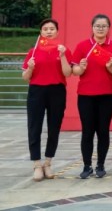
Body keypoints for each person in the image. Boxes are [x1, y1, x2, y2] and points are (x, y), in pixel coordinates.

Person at [22, 18, 72, 181]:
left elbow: (67, 73)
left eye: (52, 29)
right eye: (45, 29)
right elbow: (25, 77)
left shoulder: (63, 50)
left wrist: (63, 56)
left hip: (57, 90)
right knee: (34, 127)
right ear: (41, 32)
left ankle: (48, 162)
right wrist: (30, 68)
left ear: (57, 32)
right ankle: (37, 164)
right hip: (37, 91)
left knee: (54, 126)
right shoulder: (33, 51)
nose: (49, 31)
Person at [71, 14, 112, 179]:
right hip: (86, 95)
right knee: (87, 131)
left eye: (104, 26)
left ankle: (101, 165)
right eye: (97, 26)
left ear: (108, 28)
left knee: (103, 130)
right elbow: (74, 70)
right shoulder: (83, 46)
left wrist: (110, 67)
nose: (100, 29)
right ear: (92, 28)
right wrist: (81, 68)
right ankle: (87, 166)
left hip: (107, 94)